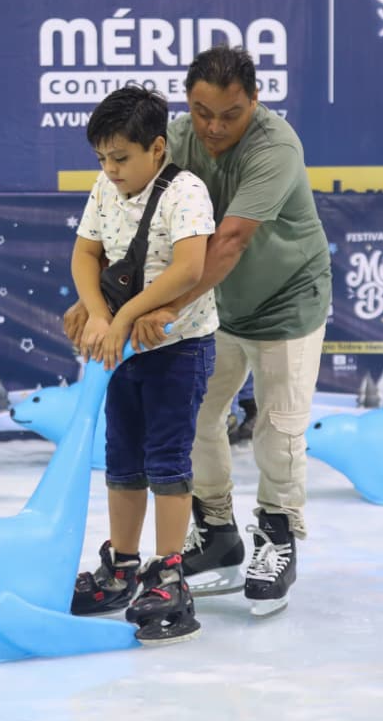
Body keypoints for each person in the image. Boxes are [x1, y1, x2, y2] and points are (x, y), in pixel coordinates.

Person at [66, 45, 332, 616]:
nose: (213, 127)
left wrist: (153, 310)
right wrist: (99, 305)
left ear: (254, 101)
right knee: (196, 421)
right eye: (201, 111)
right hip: (211, 311)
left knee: (278, 425)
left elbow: (228, 241)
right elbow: (125, 229)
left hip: (285, 300)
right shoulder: (175, 135)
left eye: (229, 114)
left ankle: (278, 533)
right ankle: (216, 532)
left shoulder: (276, 146)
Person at [67, 86, 219, 645]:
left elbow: (188, 268)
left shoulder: (187, 192)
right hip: (124, 351)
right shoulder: (103, 190)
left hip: (178, 349)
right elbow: (85, 253)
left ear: (156, 149)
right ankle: (123, 565)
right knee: (122, 458)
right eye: (101, 159)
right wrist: (96, 313)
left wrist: (123, 316)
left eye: (120, 158)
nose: (109, 170)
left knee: (167, 459)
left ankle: (171, 573)